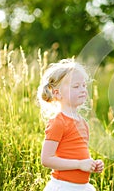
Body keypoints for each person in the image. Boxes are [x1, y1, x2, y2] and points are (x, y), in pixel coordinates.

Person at [37, 59, 104, 191]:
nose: (83, 89)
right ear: (57, 93)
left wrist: (92, 164)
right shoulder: (58, 122)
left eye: (84, 85)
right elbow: (46, 159)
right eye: (76, 86)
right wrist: (79, 164)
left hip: (82, 187)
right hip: (63, 186)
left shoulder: (82, 123)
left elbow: (78, 153)